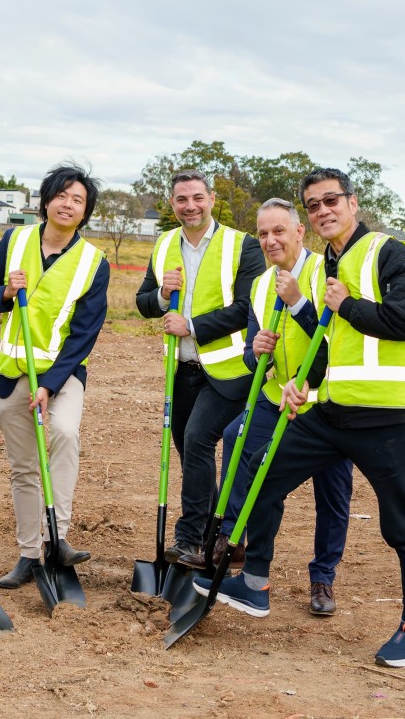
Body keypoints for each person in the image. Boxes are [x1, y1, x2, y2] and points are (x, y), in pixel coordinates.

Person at [200, 167, 405, 669]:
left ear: (352, 203)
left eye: (331, 201)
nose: (323, 210)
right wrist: (302, 382)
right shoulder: (331, 261)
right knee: (261, 472)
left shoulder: (388, 252)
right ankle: (255, 583)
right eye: (314, 203)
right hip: (332, 410)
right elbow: (330, 346)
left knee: (403, 526)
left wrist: (346, 303)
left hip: (389, 418)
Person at [190, 198, 353, 617]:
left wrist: (299, 303)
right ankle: (243, 555)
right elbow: (251, 354)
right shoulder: (261, 284)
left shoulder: (325, 273)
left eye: (279, 231)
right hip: (274, 395)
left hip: (323, 403)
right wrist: (254, 350)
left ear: (300, 232)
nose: (270, 240)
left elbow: (338, 344)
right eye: (262, 233)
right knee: (253, 462)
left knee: (333, 493)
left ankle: (323, 577)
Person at [0, 163, 110, 588]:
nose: (68, 205)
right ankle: (30, 554)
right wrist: (7, 294)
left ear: (85, 212)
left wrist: (50, 384)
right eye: (62, 196)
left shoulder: (94, 262)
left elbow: (85, 334)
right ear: (46, 200)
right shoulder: (13, 241)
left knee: (65, 436)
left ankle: (58, 540)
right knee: (25, 467)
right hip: (13, 372)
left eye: (78, 200)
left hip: (62, 375)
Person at [135, 169, 263, 565]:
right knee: (192, 456)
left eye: (197, 197)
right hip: (182, 370)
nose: (190, 206)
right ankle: (219, 539)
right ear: (172, 204)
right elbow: (142, 303)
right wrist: (161, 294)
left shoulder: (243, 245)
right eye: (181, 199)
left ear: (211, 199)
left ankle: (189, 539)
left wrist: (191, 325)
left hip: (228, 371)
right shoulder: (164, 243)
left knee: (197, 439)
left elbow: (248, 307)